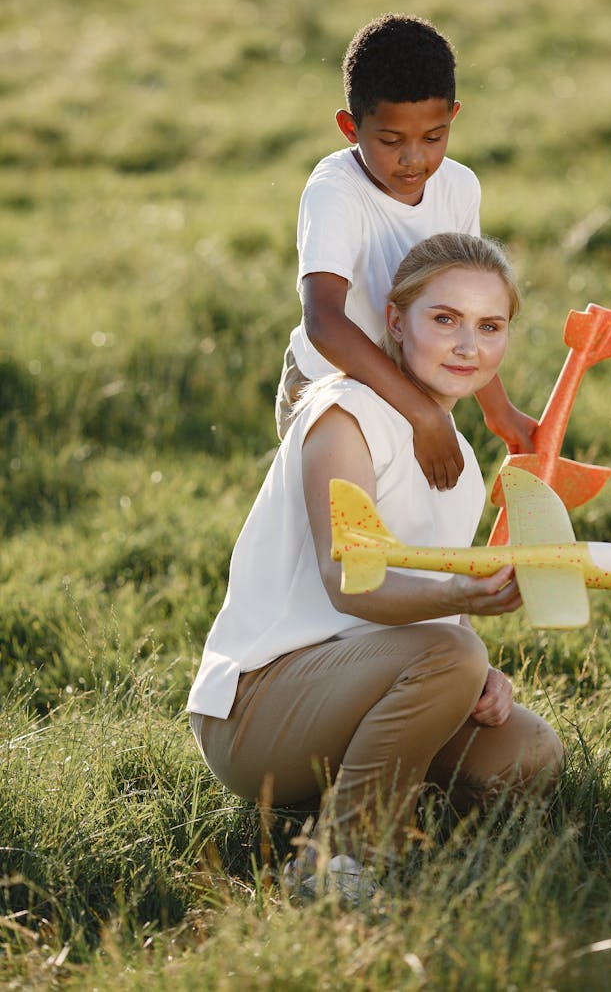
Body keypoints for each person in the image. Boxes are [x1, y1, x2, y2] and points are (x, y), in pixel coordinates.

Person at [189, 233, 562, 897]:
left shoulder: (464, 465)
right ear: (396, 320)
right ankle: (336, 862)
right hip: (255, 709)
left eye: (489, 325)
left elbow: (430, 612)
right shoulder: (344, 416)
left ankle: (365, 791)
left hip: (353, 687)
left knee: (531, 757)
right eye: (443, 319)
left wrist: (476, 667)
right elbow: (349, 582)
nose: (467, 345)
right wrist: (461, 620)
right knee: (451, 654)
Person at [275, 13, 536, 492]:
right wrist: (421, 416)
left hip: (416, 388)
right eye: (391, 141)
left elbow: (469, 305)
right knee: (350, 537)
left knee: (409, 529)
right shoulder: (336, 191)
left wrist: (499, 412)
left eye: (433, 138)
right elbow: (324, 322)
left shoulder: (458, 187)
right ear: (350, 127)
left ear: (453, 117)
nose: (414, 158)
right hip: (332, 388)